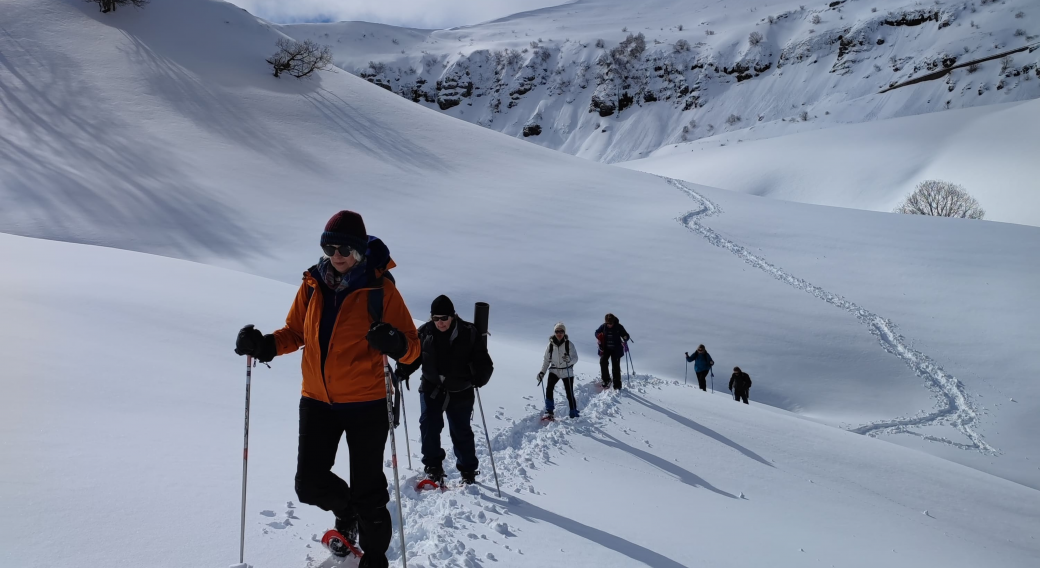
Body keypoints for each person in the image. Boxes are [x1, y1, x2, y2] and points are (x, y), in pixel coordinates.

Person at [233, 210, 420, 568]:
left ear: (361, 251)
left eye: (346, 248)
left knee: (369, 490)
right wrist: (264, 345)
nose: (338, 254)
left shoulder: (380, 290)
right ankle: (346, 513)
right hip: (317, 400)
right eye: (331, 246)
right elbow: (295, 332)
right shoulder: (312, 284)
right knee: (309, 484)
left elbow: (413, 348)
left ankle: (376, 558)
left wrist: (394, 342)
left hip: (366, 402)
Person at [396, 295, 494, 485]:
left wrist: (480, 377)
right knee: (429, 425)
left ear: (453, 316)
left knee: (461, 430)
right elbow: (415, 357)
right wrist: (402, 370)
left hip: (461, 389)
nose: (440, 322)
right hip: (431, 387)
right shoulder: (424, 332)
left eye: (444, 318)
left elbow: (484, 361)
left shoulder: (469, 332)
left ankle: (468, 470)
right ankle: (433, 466)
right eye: (436, 318)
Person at [537, 322, 580, 419]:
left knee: (569, 392)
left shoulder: (569, 344)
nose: (559, 333)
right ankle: (549, 411)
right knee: (549, 388)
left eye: (561, 331)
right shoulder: (550, 345)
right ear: (554, 332)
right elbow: (546, 360)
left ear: (564, 332)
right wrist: (542, 372)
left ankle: (573, 411)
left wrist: (569, 360)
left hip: (566, 371)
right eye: (557, 331)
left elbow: (575, 358)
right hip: (554, 370)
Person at [595, 313, 630, 390]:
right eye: (608, 323)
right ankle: (606, 380)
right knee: (603, 361)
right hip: (606, 349)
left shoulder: (619, 327)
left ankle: (617, 384)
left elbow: (626, 335)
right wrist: (598, 336)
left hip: (616, 349)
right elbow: (596, 332)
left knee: (615, 366)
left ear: (613, 322)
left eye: (611, 323)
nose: (609, 325)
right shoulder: (603, 326)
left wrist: (625, 337)